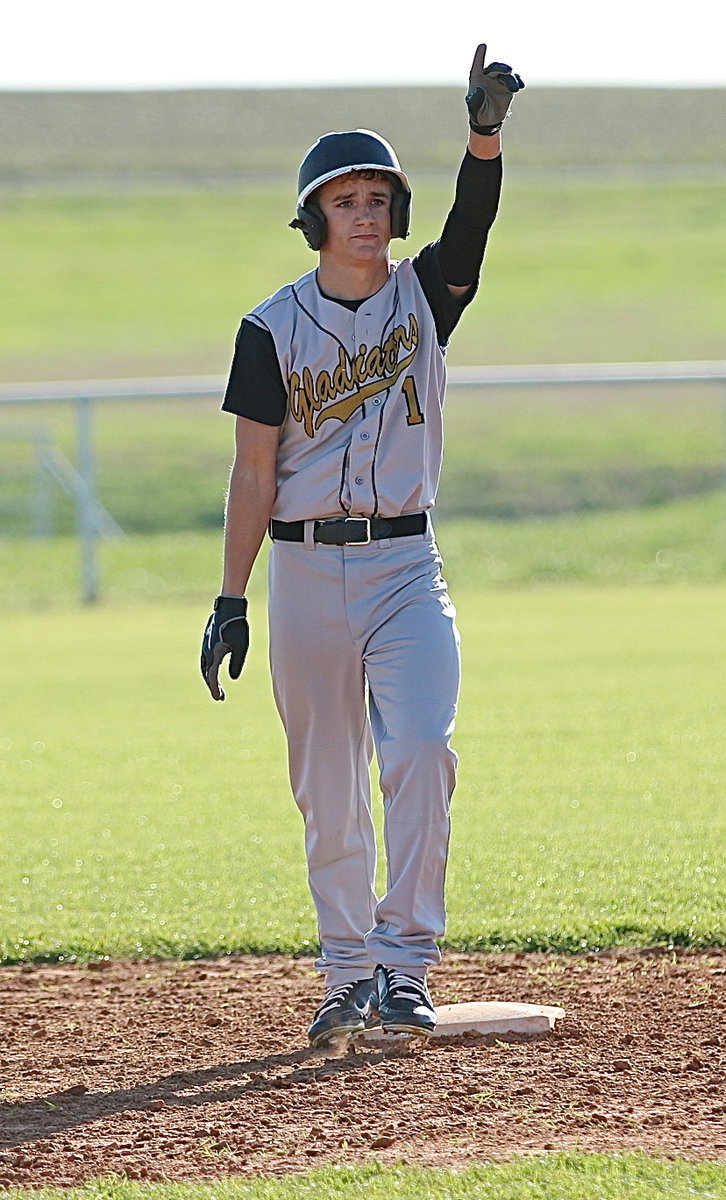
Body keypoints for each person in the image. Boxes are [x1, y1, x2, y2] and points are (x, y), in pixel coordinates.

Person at [201, 44, 524, 1048]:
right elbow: (255, 473)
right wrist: (231, 597)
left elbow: (472, 227)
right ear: (313, 219)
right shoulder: (270, 329)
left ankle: (406, 966)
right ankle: (346, 972)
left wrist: (484, 137)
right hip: (303, 570)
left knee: (422, 750)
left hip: (404, 569)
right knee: (328, 784)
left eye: (379, 194)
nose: (367, 211)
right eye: (346, 199)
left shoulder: (427, 296)